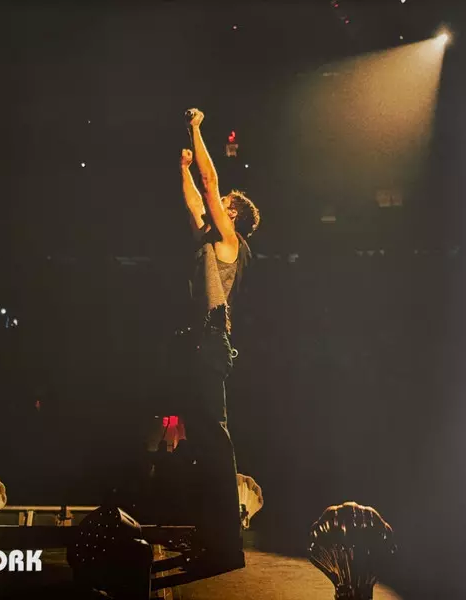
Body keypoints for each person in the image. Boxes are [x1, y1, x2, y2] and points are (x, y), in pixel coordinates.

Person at [174, 107, 260, 574]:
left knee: (214, 440)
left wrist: (196, 130)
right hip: (196, 343)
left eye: (224, 202)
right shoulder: (209, 237)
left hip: (211, 342)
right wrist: (182, 168)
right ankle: (212, 538)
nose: (216, 203)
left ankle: (226, 546)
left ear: (232, 215)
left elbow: (210, 185)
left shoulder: (230, 242)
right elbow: (195, 201)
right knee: (202, 445)